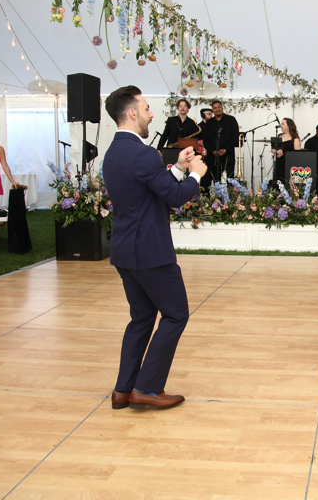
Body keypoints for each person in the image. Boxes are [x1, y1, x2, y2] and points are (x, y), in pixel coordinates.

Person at [102, 85, 207, 411]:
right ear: (132, 112)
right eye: (146, 108)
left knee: (142, 317)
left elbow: (151, 188)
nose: (151, 114)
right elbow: (174, 197)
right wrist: (196, 176)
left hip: (125, 250)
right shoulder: (144, 153)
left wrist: (176, 167)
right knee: (176, 314)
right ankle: (147, 388)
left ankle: (123, 389)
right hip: (150, 251)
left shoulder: (113, 153)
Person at [201, 100, 240, 184]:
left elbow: (235, 137)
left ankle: (229, 196)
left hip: (227, 156)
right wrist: (213, 151)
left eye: (219, 107)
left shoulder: (231, 120)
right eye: (215, 108)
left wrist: (225, 149)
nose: (217, 109)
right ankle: (215, 197)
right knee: (216, 180)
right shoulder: (209, 123)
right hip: (213, 157)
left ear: (222, 108)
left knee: (229, 179)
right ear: (212, 110)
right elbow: (206, 139)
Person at [273, 118, 302, 185]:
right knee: (278, 182)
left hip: (289, 164)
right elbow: (272, 149)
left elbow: (298, 153)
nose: (281, 126)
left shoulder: (295, 138)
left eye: (283, 124)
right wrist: (277, 152)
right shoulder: (279, 136)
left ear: (289, 126)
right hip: (279, 163)